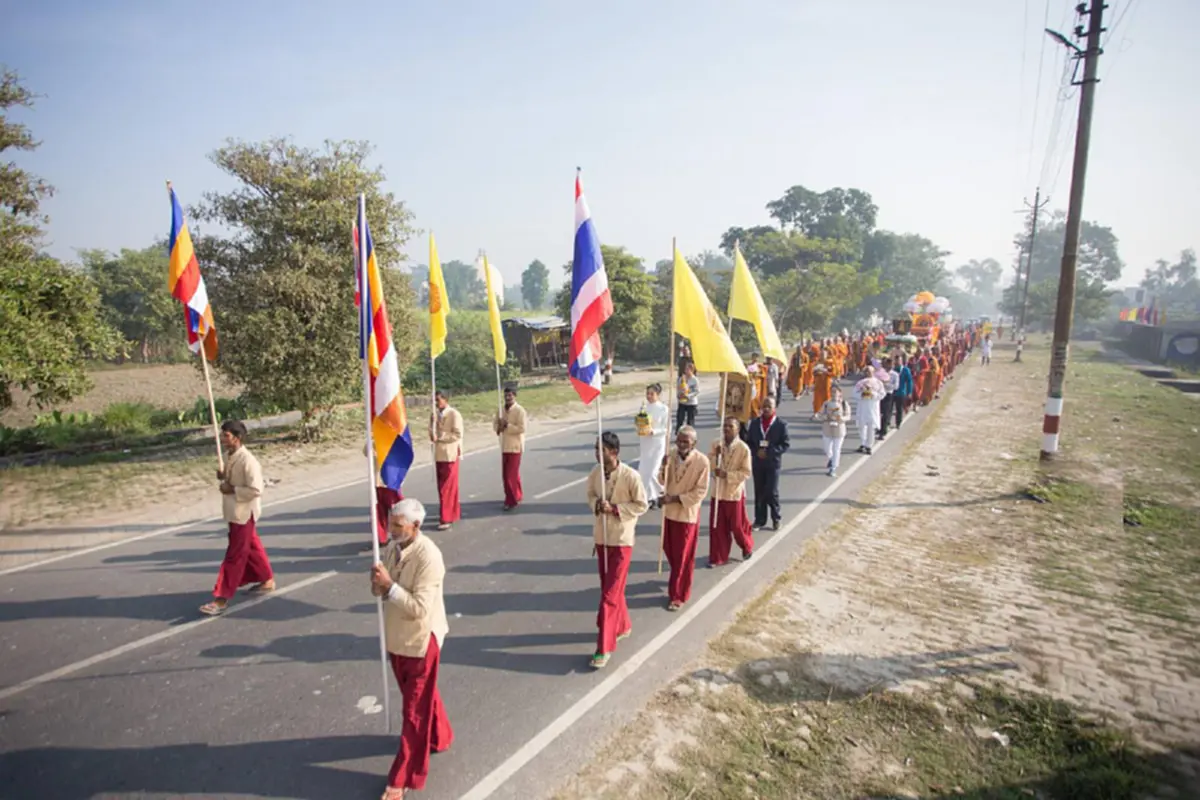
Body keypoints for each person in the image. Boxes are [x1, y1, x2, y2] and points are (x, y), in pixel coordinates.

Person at [369, 499, 453, 799]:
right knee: (419, 699)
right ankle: (440, 735)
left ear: (415, 526)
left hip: (420, 641)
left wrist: (389, 586)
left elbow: (419, 607)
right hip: (396, 639)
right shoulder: (393, 549)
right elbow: (383, 590)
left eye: (398, 525)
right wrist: (378, 584)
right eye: (391, 524)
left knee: (413, 712)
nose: (391, 530)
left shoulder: (430, 556)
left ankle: (402, 777)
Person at [587, 431, 650, 668]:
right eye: (596, 449)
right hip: (602, 539)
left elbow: (641, 505)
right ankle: (622, 625)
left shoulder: (631, 476)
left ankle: (604, 647)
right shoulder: (595, 473)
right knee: (610, 589)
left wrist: (614, 509)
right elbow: (590, 495)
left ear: (614, 452)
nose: (597, 453)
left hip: (622, 541)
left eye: (601, 450)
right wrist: (597, 505)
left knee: (609, 596)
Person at [200, 420, 274, 616]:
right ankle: (267, 579)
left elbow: (256, 489)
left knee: (235, 556)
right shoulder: (229, 456)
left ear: (237, 437)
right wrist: (223, 477)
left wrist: (231, 488)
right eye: (222, 435)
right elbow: (229, 479)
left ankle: (221, 598)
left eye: (227, 435)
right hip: (233, 511)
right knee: (251, 546)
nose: (223, 439)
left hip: (244, 513)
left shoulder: (248, 461)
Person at [658, 425, 710, 611]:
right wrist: (663, 468)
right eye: (678, 440)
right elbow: (662, 481)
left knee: (682, 557)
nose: (681, 444)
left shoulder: (702, 461)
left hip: (686, 514)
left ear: (694, 443)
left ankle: (677, 595)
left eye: (685, 441)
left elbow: (701, 491)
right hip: (669, 513)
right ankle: (680, 577)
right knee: (669, 549)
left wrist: (676, 499)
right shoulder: (670, 455)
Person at [708, 416, 753, 566]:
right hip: (718, 492)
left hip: (734, 493)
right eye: (725, 426)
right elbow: (708, 464)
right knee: (717, 526)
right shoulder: (716, 444)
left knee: (737, 527)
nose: (726, 429)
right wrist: (716, 456)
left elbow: (746, 473)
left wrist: (727, 475)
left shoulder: (743, 448)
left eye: (730, 427)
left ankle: (746, 546)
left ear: (737, 429)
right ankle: (717, 556)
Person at [745, 396, 790, 530]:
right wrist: (756, 452)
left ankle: (776, 518)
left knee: (771, 491)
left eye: (769, 406)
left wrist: (771, 452)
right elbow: (749, 442)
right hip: (758, 463)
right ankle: (759, 519)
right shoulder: (754, 423)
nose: (766, 409)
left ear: (774, 408)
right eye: (764, 406)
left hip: (773, 463)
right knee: (759, 491)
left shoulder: (781, 425)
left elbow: (785, 444)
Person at [431, 390, 463, 531]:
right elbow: (431, 434)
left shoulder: (454, 414)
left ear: (445, 400)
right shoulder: (434, 414)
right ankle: (453, 512)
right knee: (441, 486)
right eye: (435, 400)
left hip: (450, 454)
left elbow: (457, 434)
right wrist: (433, 426)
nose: (436, 403)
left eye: (438, 400)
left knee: (447, 487)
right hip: (438, 455)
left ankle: (446, 517)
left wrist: (441, 436)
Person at [494, 387, 527, 511]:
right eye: (506, 396)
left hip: (515, 446)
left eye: (510, 396)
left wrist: (508, 425)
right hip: (504, 445)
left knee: (509, 475)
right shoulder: (501, 410)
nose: (508, 398)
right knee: (510, 474)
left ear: (515, 396)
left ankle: (511, 500)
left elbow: (522, 428)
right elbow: (495, 425)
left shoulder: (520, 411)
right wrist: (500, 426)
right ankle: (517, 494)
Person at [637, 383, 669, 504]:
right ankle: (647, 497)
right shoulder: (644, 408)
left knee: (653, 472)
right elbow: (640, 422)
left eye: (652, 394)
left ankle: (657, 495)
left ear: (658, 394)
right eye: (647, 394)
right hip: (645, 443)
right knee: (643, 471)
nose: (649, 396)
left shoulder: (663, 409)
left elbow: (667, 429)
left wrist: (654, 431)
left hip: (657, 444)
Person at [818, 386, 851, 477]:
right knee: (827, 448)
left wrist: (841, 418)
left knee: (837, 449)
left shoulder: (844, 404)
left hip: (839, 429)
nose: (833, 394)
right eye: (832, 392)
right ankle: (831, 458)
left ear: (840, 393)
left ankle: (833, 468)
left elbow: (848, 416)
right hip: (827, 428)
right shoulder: (826, 404)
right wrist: (825, 417)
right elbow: (820, 414)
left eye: (835, 392)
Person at [853, 367, 884, 455]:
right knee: (861, 426)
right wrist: (862, 394)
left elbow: (882, 394)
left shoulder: (878, 383)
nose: (868, 373)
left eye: (870, 371)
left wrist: (873, 394)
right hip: (862, 407)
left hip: (872, 407)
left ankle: (869, 446)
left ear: (873, 372)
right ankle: (863, 443)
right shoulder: (860, 383)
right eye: (866, 371)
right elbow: (854, 393)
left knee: (871, 427)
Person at [878, 357, 900, 440]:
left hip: (888, 394)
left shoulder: (895, 375)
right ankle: (879, 427)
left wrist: (886, 385)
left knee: (886, 413)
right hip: (880, 394)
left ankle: (883, 432)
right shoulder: (881, 373)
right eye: (888, 364)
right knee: (879, 412)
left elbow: (896, 386)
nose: (889, 366)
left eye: (891, 364)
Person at [676, 362, 699, 429]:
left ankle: (690, 436)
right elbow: (678, 388)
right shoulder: (681, 379)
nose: (686, 371)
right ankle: (678, 434)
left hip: (691, 403)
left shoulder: (695, 380)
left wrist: (688, 396)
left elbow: (696, 391)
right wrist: (679, 395)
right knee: (680, 419)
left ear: (692, 370)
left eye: (688, 369)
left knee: (690, 421)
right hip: (682, 402)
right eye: (685, 369)